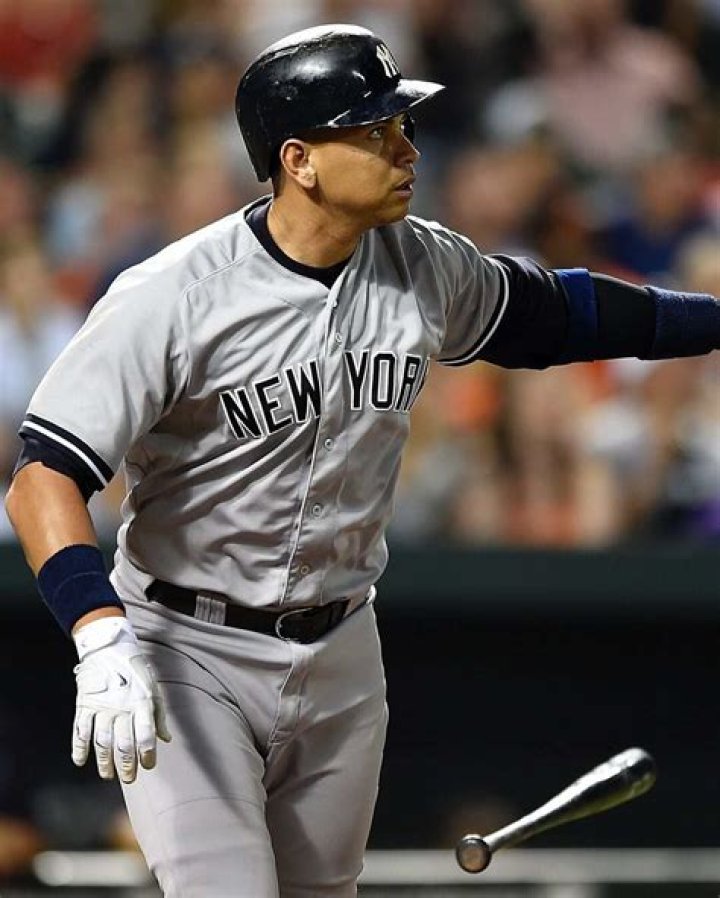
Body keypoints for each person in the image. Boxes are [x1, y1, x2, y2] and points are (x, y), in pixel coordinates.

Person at [4, 24, 719, 898]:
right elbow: (43, 476)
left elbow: (565, 316)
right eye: (375, 131)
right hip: (188, 648)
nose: (406, 149)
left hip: (342, 649)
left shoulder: (423, 263)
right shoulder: (172, 296)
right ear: (298, 160)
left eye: (402, 126)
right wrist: (98, 633)